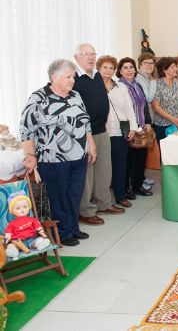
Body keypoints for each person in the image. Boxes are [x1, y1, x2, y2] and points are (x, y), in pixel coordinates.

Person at [20, 59, 96, 246]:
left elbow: (85, 122)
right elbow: (26, 129)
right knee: (58, 195)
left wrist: (91, 144)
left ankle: (72, 227)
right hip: (52, 158)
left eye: (73, 77)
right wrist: (30, 156)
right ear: (54, 77)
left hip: (78, 154)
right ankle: (61, 233)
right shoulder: (39, 98)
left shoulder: (75, 96)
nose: (72, 81)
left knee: (74, 193)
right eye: (68, 77)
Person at [73, 43, 121, 225]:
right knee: (87, 174)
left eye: (93, 54)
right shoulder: (75, 78)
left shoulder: (97, 76)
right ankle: (85, 210)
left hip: (102, 129)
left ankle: (104, 203)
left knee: (104, 170)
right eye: (86, 54)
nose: (90, 57)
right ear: (76, 57)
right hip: (85, 133)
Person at [98, 55, 137, 210]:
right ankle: (103, 198)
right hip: (102, 132)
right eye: (105, 67)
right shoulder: (95, 87)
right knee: (103, 168)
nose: (108, 70)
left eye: (111, 67)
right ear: (99, 69)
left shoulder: (121, 87)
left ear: (115, 70)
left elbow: (129, 108)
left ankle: (120, 196)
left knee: (120, 165)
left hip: (120, 131)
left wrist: (133, 127)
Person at [117, 57, 154, 198]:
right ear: (120, 71)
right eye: (125, 67)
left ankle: (138, 186)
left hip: (142, 128)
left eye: (131, 67)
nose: (129, 70)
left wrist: (148, 122)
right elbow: (122, 110)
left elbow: (144, 105)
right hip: (129, 130)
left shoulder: (137, 85)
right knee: (128, 161)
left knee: (141, 160)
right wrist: (134, 127)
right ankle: (126, 189)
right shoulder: (119, 86)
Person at [152, 57, 178, 144]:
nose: (176, 69)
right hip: (162, 125)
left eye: (175, 67)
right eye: (172, 67)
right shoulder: (158, 84)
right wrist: (173, 119)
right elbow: (155, 106)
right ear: (165, 70)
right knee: (165, 153)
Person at [4, 192, 51, 258]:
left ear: (29, 207)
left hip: (31, 239)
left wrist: (42, 233)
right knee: (11, 246)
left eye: (25, 207)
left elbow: (38, 227)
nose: (22, 210)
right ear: (13, 211)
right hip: (18, 242)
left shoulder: (32, 219)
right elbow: (8, 231)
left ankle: (40, 244)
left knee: (39, 240)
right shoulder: (12, 223)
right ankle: (13, 251)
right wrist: (7, 237)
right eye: (18, 208)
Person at [134, 53, 157, 191]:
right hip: (141, 120)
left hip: (148, 118)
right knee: (139, 153)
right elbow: (148, 97)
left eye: (151, 63)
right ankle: (138, 182)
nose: (149, 66)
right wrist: (154, 81)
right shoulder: (140, 79)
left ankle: (141, 178)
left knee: (143, 153)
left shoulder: (146, 78)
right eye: (146, 63)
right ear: (140, 65)